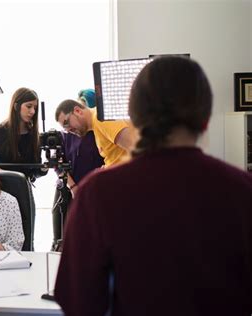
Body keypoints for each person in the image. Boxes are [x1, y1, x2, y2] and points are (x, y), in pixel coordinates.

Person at [55, 56, 252, 316]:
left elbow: (79, 302)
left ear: (133, 119)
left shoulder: (97, 194)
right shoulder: (242, 190)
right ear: (205, 120)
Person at [51, 89, 104, 250]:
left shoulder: (100, 131)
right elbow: (57, 162)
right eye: (64, 126)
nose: (68, 129)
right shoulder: (66, 136)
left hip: (96, 193)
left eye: (67, 123)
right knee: (64, 239)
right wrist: (73, 186)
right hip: (68, 192)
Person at [0, 87, 47, 182]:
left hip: (23, 190)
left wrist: (43, 168)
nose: (33, 111)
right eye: (29, 106)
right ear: (16, 106)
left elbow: (34, 172)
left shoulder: (34, 136)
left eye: (35, 108)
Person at [55, 98, 136, 167]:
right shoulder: (96, 124)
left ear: (77, 111)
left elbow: (138, 147)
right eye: (65, 129)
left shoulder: (100, 119)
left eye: (66, 123)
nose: (68, 130)